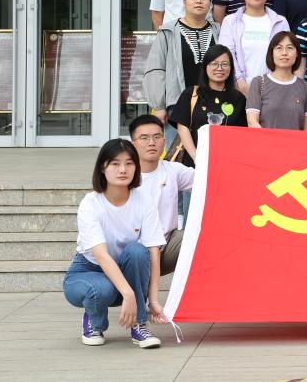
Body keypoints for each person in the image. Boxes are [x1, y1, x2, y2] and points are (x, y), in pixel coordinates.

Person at [62, 139, 165, 349]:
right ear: (103, 167)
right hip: (89, 270)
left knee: (138, 251)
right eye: (115, 164)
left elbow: (154, 251)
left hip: (124, 268)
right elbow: (101, 255)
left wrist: (153, 301)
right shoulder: (91, 203)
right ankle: (94, 322)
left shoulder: (143, 199)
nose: (123, 170)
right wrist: (128, 294)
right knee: (101, 289)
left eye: (129, 163)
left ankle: (139, 325)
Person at [143, 0, 220, 127]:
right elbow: (156, 68)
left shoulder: (218, 31)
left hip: (213, 104)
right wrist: (159, 106)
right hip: (177, 105)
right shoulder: (168, 31)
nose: (199, 1)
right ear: (184, 2)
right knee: (176, 142)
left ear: (210, 4)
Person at [131, 114, 192, 276]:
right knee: (135, 253)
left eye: (157, 137)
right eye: (144, 138)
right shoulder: (124, 174)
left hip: (167, 246)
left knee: (200, 238)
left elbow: (210, 180)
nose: (152, 142)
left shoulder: (173, 170)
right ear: (133, 144)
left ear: (164, 141)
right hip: (133, 252)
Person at [168, 44, 247, 170]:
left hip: (226, 165)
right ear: (205, 66)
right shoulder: (191, 93)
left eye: (225, 64)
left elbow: (241, 136)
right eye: (214, 64)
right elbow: (182, 127)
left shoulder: (238, 99)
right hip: (192, 164)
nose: (219, 68)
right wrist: (196, 157)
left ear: (231, 68)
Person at [218, 0, 290, 96]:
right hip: (238, 89)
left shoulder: (280, 22)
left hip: (274, 89)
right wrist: (240, 82)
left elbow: (286, 54)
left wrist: (274, 83)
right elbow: (227, 53)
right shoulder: (230, 21)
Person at [246, 31, 307, 131]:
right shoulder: (259, 83)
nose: (284, 53)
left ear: (297, 54)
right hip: (265, 140)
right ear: (271, 53)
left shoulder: (305, 87)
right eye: (279, 48)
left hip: (296, 141)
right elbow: (252, 122)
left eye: (290, 48)